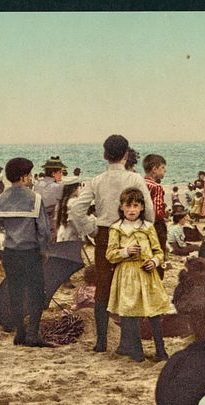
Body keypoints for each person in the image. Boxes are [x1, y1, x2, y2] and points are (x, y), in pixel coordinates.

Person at [71, 135, 154, 354]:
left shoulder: (96, 180)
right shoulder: (135, 179)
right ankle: (127, 342)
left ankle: (101, 341)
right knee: (129, 287)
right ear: (126, 154)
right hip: (129, 234)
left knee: (103, 288)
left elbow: (76, 210)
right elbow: (150, 213)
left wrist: (93, 228)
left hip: (105, 235)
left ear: (105, 155)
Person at [0, 157, 54, 348]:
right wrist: (44, 249)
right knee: (36, 292)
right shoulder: (34, 199)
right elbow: (44, 230)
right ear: (23, 177)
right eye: (29, 175)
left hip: (10, 252)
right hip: (31, 251)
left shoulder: (1, 198)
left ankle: (19, 333)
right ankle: (33, 334)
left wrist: (1, 228)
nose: (31, 178)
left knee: (16, 291)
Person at [106, 188, 172, 362]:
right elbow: (110, 255)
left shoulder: (148, 227)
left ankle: (160, 350)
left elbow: (159, 251)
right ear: (121, 207)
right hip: (127, 275)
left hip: (147, 274)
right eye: (128, 206)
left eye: (136, 206)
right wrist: (126, 252)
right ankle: (137, 351)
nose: (132, 210)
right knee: (131, 314)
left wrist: (155, 262)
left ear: (142, 207)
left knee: (154, 314)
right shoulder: (116, 228)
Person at [143, 154, 168, 278]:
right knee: (158, 251)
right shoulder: (157, 187)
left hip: (142, 223)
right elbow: (157, 211)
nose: (164, 171)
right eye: (162, 168)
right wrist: (164, 213)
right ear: (154, 169)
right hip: (156, 225)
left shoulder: (141, 183)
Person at [54, 176, 83, 243]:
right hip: (71, 236)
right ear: (74, 189)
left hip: (62, 233)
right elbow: (75, 222)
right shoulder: (73, 202)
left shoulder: (62, 201)